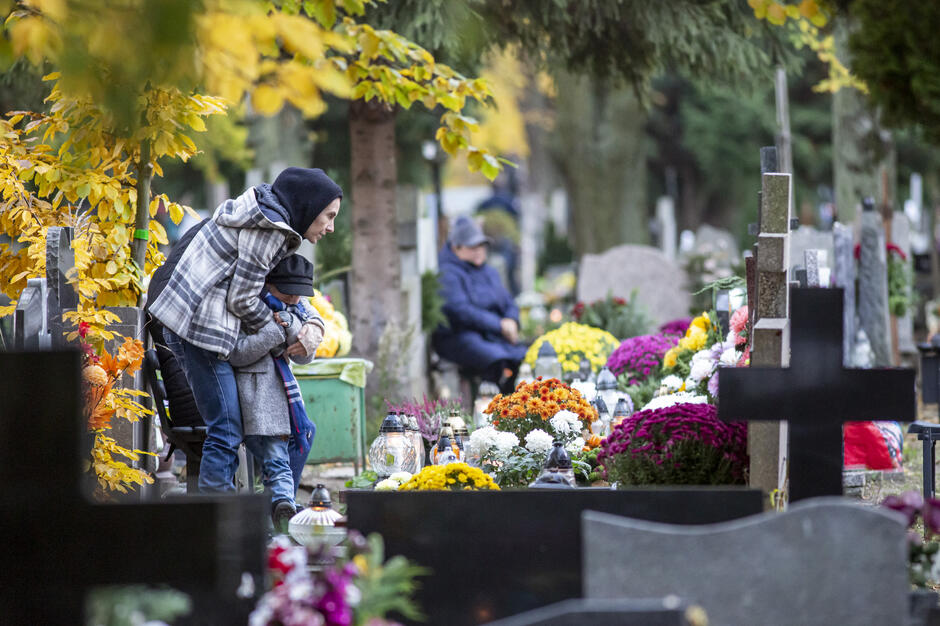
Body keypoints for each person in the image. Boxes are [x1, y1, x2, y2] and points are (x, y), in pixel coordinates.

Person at [149, 167, 342, 495]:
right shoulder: (269, 229)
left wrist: (311, 324)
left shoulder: (270, 221)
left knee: (231, 429)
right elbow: (243, 299)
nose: (331, 227)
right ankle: (218, 522)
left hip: (208, 330)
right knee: (225, 429)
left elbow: (281, 293)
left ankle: (232, 517)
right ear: (309, 206)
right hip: (201, 330)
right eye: (328, 216)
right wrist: (282, 331)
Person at [228, 254, 318, 532]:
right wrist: (273, 333)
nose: (293, 299)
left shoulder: (295, 311)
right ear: (268, 284)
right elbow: (237, 354)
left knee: (302, 436)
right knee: (275, 451)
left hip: (283, 398)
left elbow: (303, 357)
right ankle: (282, 502)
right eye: (287, 292)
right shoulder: (247, 307)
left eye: (298, 295)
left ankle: (277, 505)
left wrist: (294, 327)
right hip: (256, 397)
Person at [432, 216, 527, 394]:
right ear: (456, 248)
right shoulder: (448, 273)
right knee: (497, 359)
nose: (478, 251)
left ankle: (511, 404)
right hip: (458, 336)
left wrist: (512, 320)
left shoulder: (489, 272)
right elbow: (460, 311)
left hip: (490, 334)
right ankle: (489, 406)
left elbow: (508, 302)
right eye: (472, 246)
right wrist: (499, 325)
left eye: (481, 246)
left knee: (522, 357)